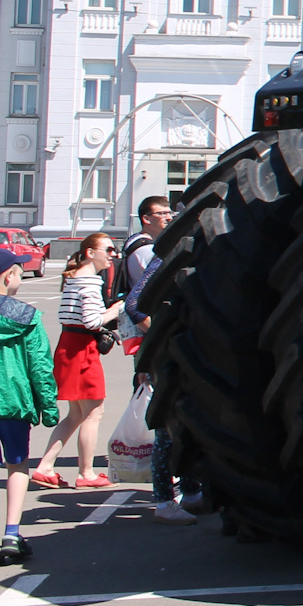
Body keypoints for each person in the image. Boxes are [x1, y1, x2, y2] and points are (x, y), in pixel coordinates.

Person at [121, 196, 194, 523]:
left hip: (183, 349)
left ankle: (191, 490)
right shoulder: (162, 255)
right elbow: (134, 305)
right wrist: (157, 336)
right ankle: (165, 501)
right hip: (167, 353)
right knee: (166, 426)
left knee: (187, 422)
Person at [31, 234, 122, 490]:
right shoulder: (89, 282)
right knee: (93, 413)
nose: (113, 254)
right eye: (108, 250)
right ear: (91, 253)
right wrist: (116, 310)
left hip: (69, 347)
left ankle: (45, 467)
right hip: (82, 351)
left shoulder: (73, 279)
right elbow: (92, 321)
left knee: (76, 414)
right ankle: (86, 473)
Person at [0, 251, 57, 563]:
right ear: (9, 276)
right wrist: (48, 407)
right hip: (12, 402)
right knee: (17, 465)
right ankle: (11, 532)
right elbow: (39, 366)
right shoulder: (26, 317)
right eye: (19, 272)